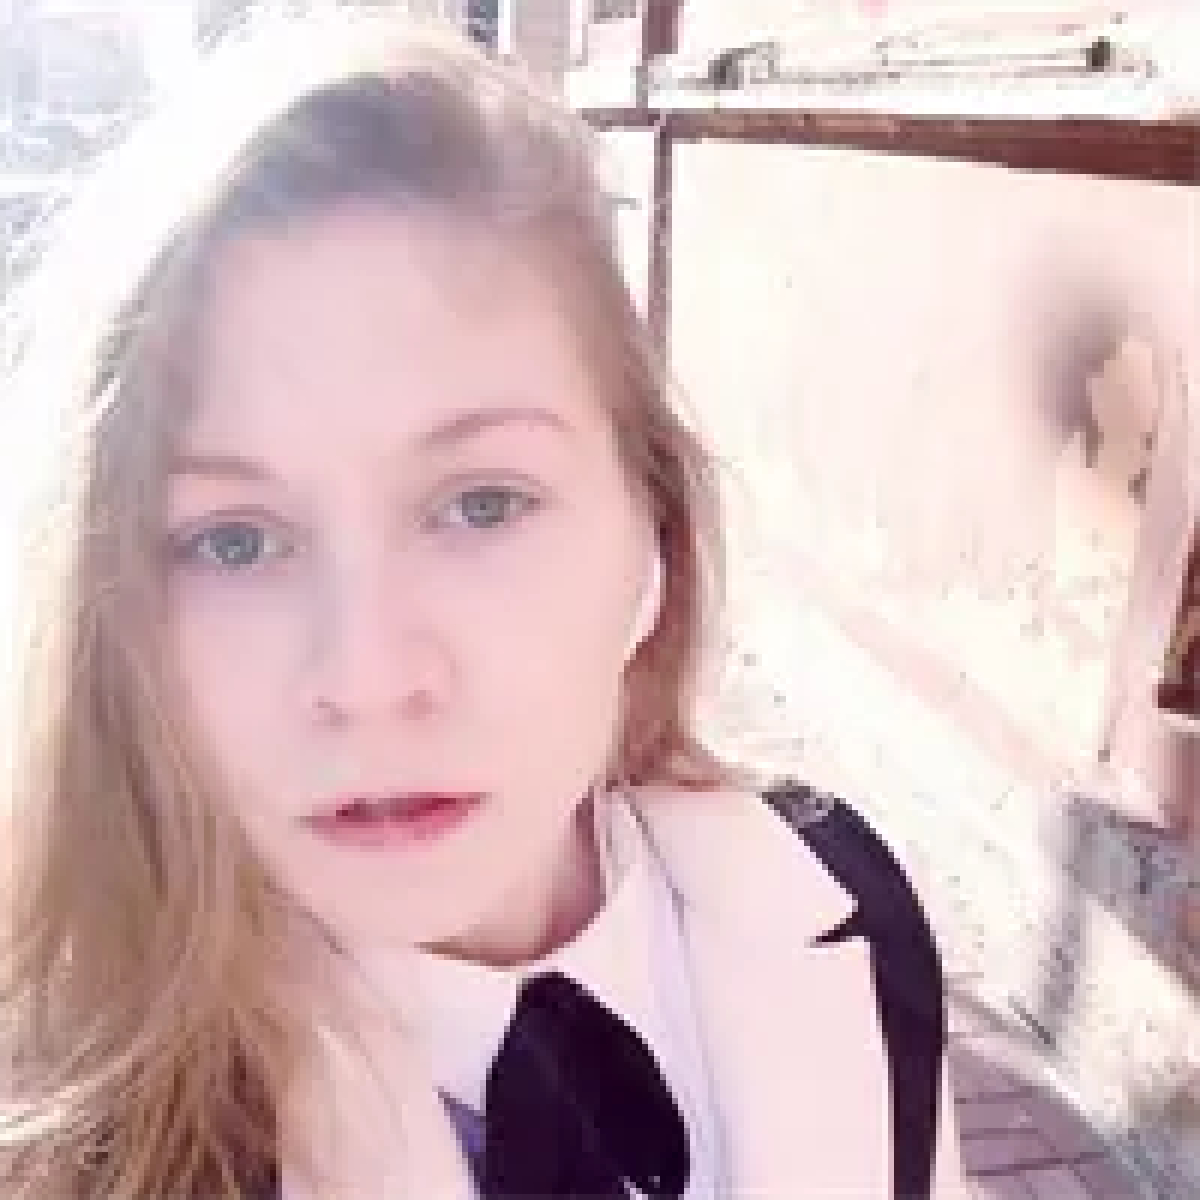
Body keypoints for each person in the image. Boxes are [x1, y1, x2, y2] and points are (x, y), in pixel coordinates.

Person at [0, 11, 966, 1198]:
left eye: (480, 505)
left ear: (654, 540)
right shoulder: (66, 1135)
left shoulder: (847, 906)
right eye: (235, 541)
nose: (368, 675)